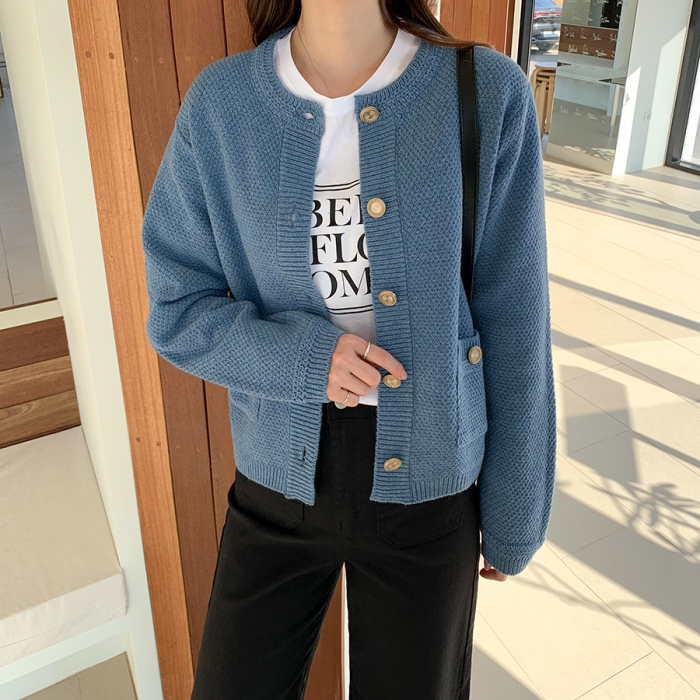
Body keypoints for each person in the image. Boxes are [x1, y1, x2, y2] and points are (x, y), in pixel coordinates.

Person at [141, 0, 557, 697]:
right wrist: (303, 361)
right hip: (277, 479)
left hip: (432, 481)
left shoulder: (484, 91)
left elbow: (516, 318)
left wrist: (516, 512)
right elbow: (177, 308)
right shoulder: (222, 105)